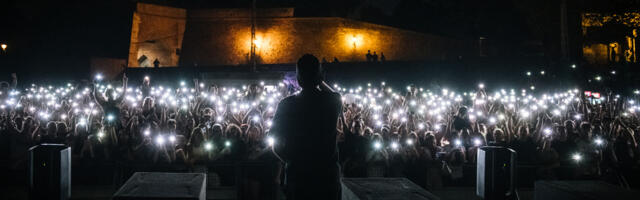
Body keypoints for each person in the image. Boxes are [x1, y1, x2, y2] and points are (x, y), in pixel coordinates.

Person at [271, 54, 342, 200]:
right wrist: (319, 78)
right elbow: (334, 93)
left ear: (298, 78)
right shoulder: (332, 101)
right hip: (327, 177)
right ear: (320, 75)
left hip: (298, 177)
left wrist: (290, 161)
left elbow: (275, 143)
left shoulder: (286, 105)